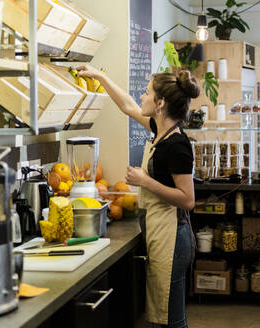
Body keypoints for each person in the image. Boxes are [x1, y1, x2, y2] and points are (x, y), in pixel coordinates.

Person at [77, 65, 199, 328]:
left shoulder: (176, 145)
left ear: (160, 103)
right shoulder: (160, 130)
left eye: (147, 93)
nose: (142, 97)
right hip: (160, 232)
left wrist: (146, 181)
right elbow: (128, 106)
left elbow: (187, 199)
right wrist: (101, 76)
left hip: (174, 238)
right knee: (165, 317)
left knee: (173, 320)